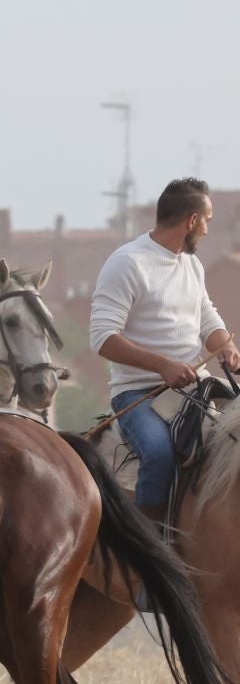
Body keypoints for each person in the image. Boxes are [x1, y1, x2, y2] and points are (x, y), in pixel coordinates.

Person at [90, 177, 240, 530]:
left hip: (195, 387)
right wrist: (162, 366)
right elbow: (102, 337)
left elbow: (207, 317)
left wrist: (226, 346)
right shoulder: (127, 262)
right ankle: (154, 558)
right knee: (159, 455)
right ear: (191, 220)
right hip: (139, 393)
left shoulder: (191, 265)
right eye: (207, 221)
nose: (206, 230)